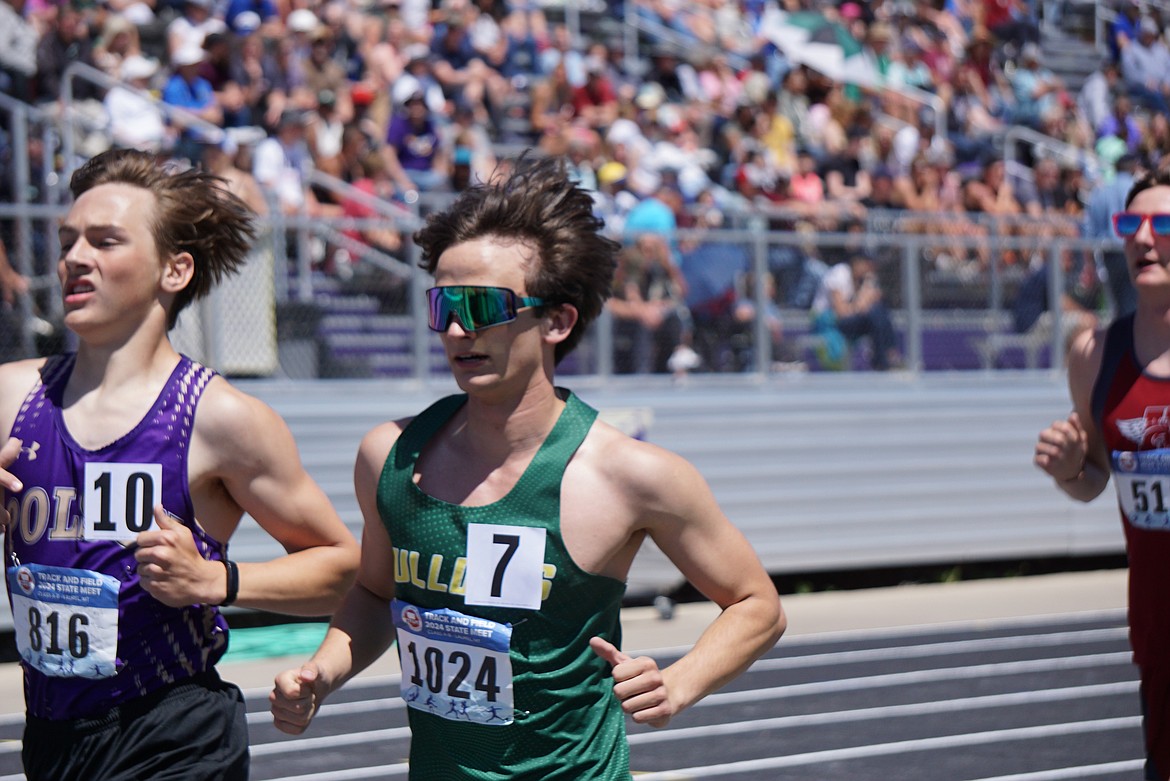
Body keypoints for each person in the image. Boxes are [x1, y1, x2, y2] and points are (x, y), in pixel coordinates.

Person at [269, 154, 786, 778]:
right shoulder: (390, 456)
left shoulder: (629, 475)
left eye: (483, 306)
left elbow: (757, 604)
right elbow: (376, 592)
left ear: (557, 321)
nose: (458, 328)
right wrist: (321, 671)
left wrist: (679, 684)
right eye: (443, 306)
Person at [0, 148, 360, 780]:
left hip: (173, 733)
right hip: (52, 737)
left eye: (106, 241)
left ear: (175, 269)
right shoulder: (10, 396)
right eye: (68, 242)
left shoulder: (221, 418)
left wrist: (219, 582)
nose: (75, 259)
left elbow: (343, 569)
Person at [1034, 165, 1170, 781]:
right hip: (1157, 625)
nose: (1143, 238)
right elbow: (1093, 479)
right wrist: (1068, 471)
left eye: (1163, 224)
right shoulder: (1094, 354)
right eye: (1131, 224)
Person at [810, 252, 901, 371]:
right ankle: (886, 358)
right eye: (867, 264)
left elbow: (867, 304)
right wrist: (862, 303)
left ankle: (886, 357)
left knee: (878, 311)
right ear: (857, 263)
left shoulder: (861, 280)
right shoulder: (840, 273)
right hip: (830, 322)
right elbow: (841, 312)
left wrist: (867, 290)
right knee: (874, 314)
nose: (869, 268)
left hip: (849, 320)